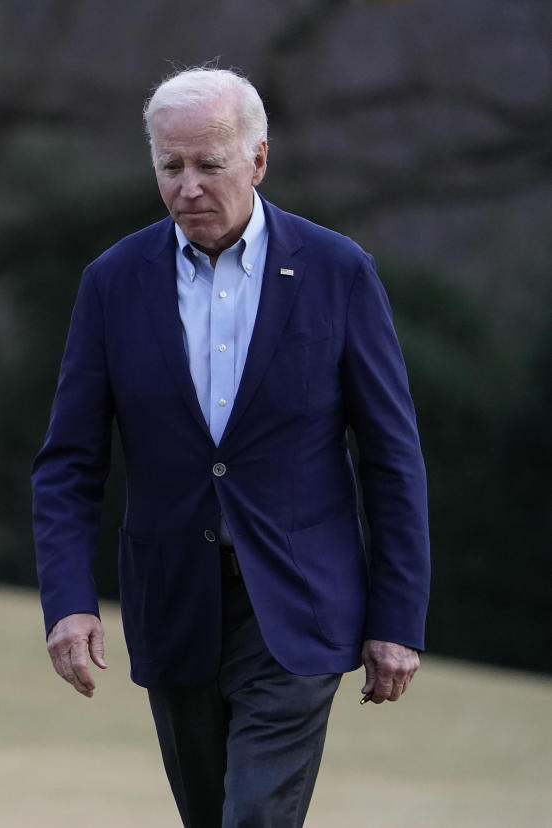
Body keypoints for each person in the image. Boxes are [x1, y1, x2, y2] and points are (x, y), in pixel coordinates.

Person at [31, 67, 430, 827]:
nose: (187, 187)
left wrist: (397, 618)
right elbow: (68, 465)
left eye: (207, 165)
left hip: (300, 604)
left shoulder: (338, 272)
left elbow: (391, 458)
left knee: (254, 817)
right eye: (169, 167)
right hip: (173, 599)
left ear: (258, 160)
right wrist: (68, 602)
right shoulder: (113, 282)